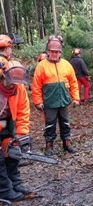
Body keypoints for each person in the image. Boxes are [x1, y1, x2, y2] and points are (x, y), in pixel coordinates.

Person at [32, 36, 80, 156]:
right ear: (48, 51)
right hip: (49, 101)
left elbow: (73, 82)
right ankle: (49, 145)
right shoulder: (41, 66)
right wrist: (38, 102)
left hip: (64, 100)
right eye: (52, 51)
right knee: (50, 124)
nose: (54, 54)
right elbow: (36, 85)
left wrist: (75, 98)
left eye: (57, 52)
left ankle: (67, 143)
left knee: (65, 123)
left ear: (60, 52)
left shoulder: (66, 65)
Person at [0, 34, 31, 201]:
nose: (13, 85)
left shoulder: (19, 89)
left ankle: (15, 183)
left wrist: (21, 133)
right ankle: (4, 190)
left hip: (5, 122)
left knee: (11, 152)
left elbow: (23, 112)